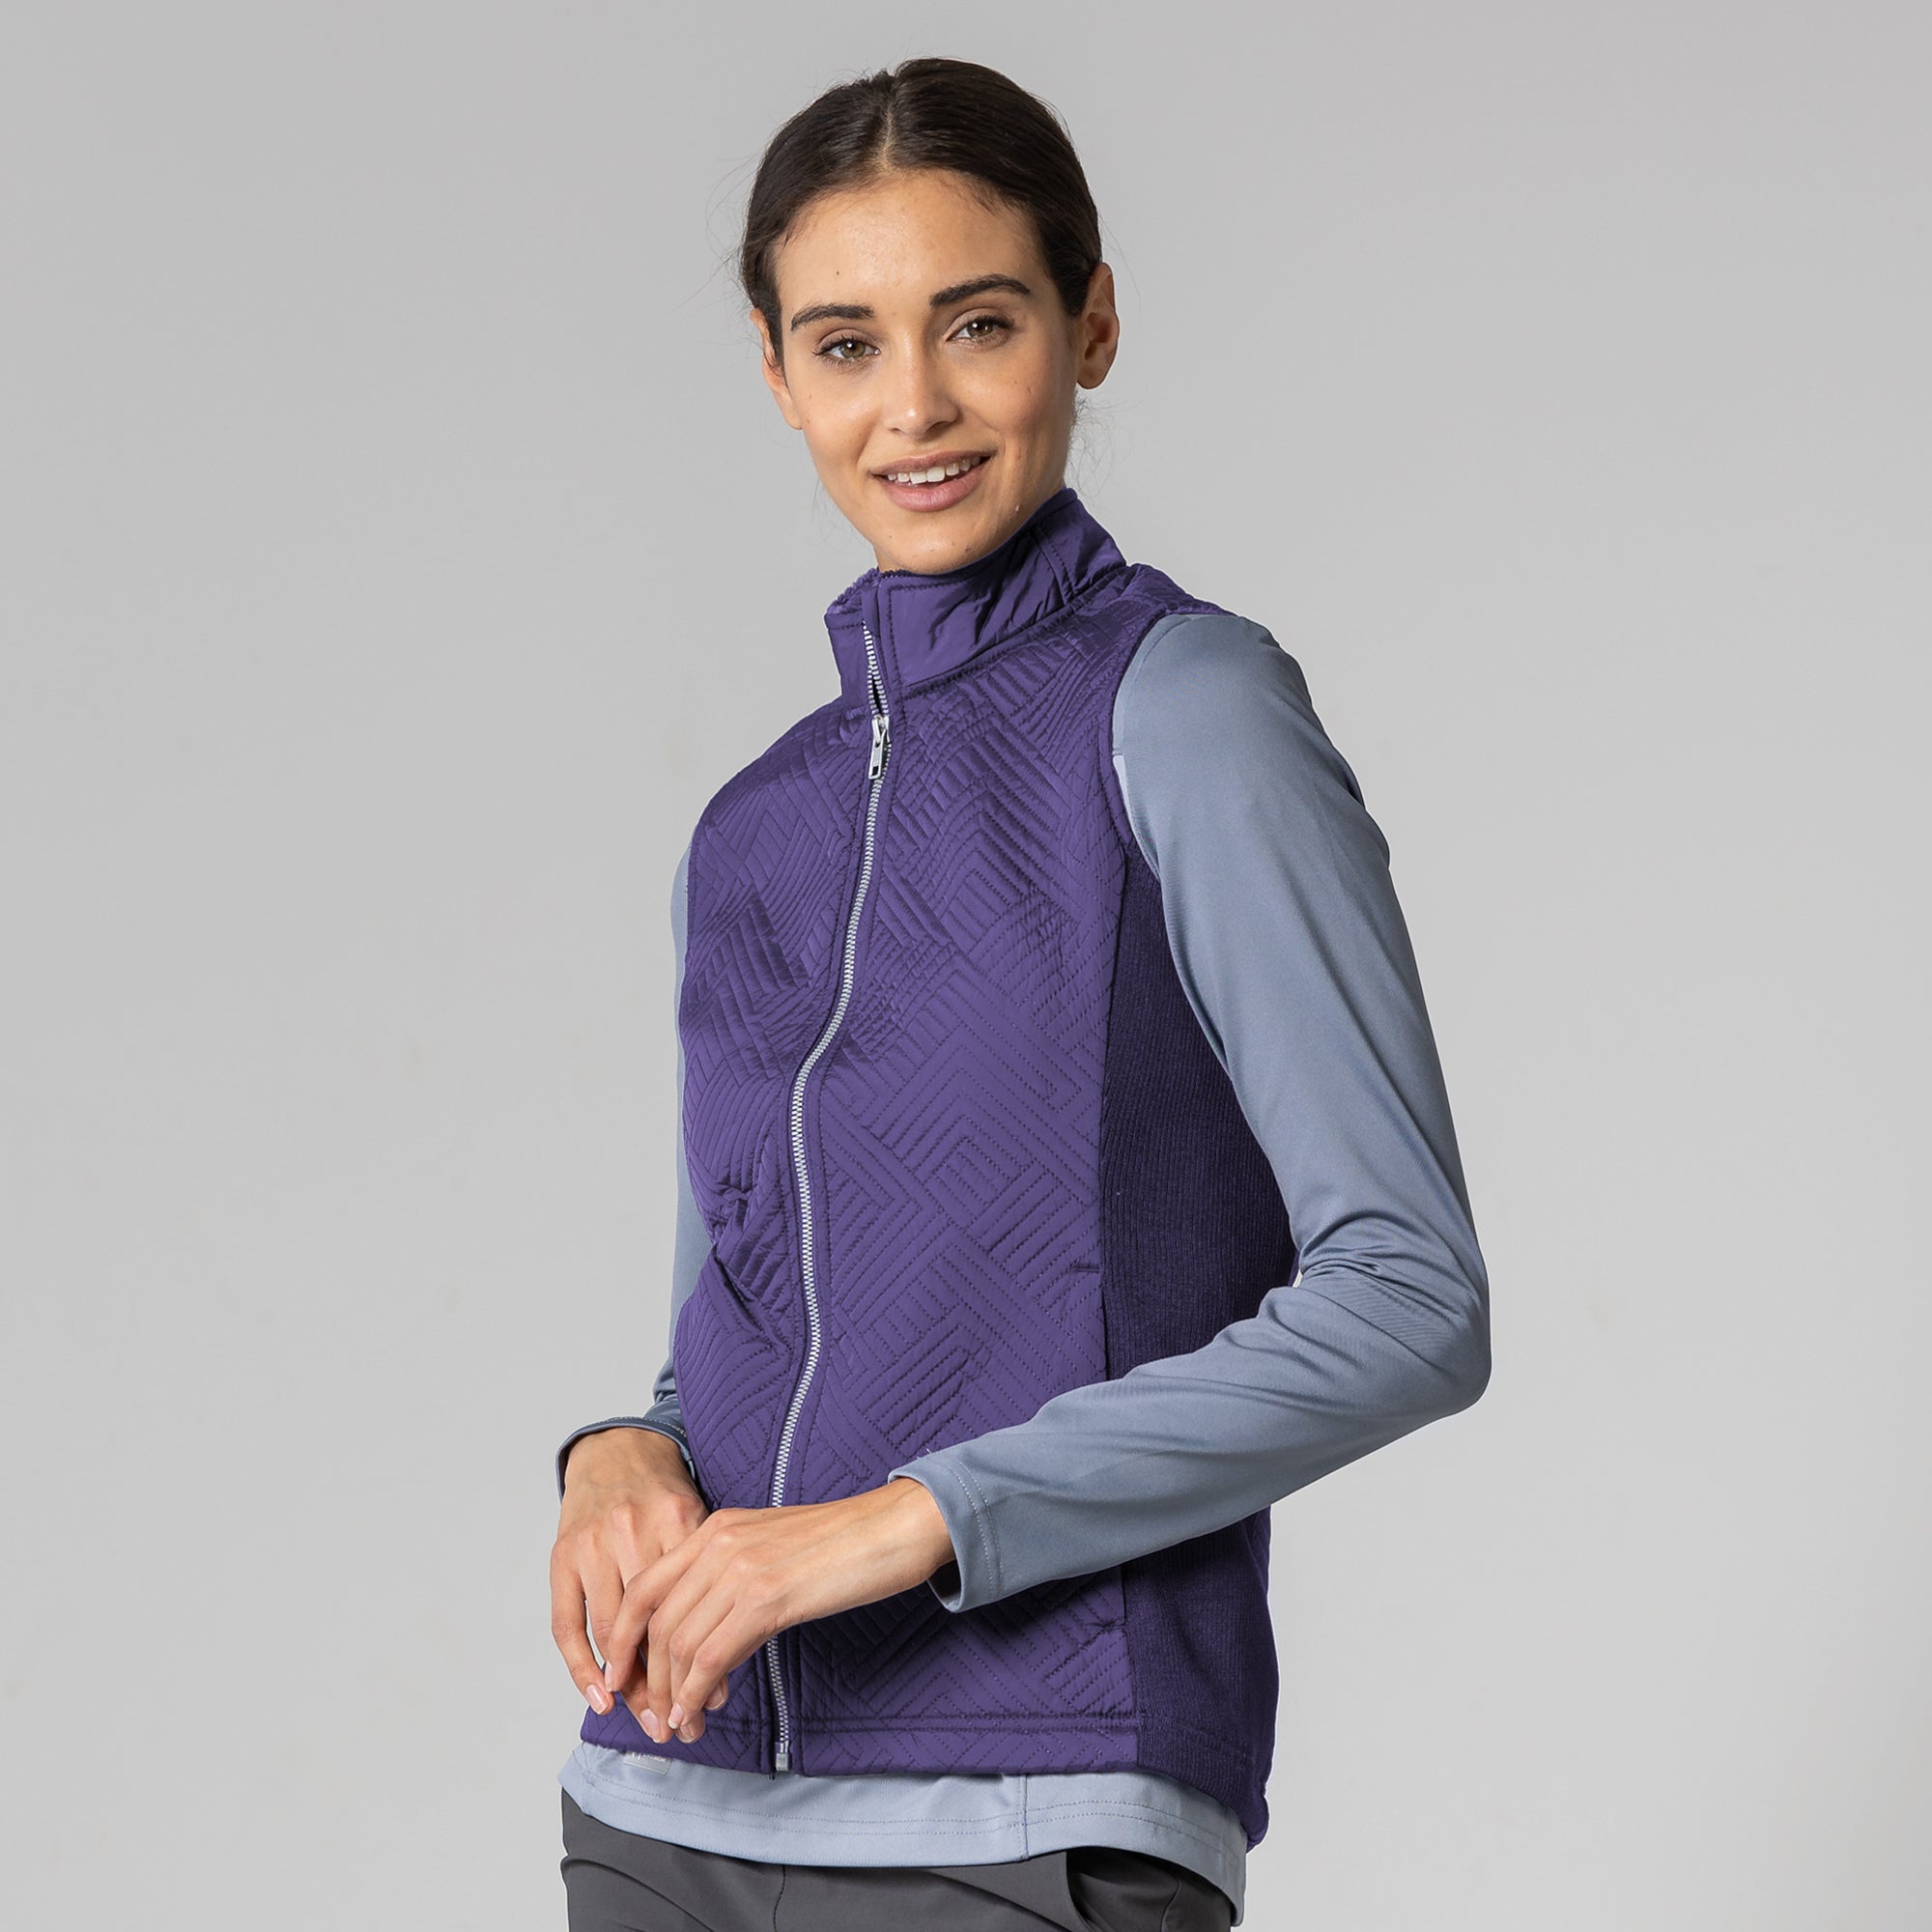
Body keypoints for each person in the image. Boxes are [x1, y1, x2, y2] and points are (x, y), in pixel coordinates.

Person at [549, 55, 1492, 1932]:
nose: (912, 403)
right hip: (662, 1797)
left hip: (1033, 1803)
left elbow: (1410, 1298)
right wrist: (617, 1455)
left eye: (976, 323)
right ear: (777, 375)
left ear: (1090, 325)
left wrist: (910, 1521)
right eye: (844, 344)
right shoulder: (749, 831)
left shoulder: (1186, 712)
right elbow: (736, 1316)